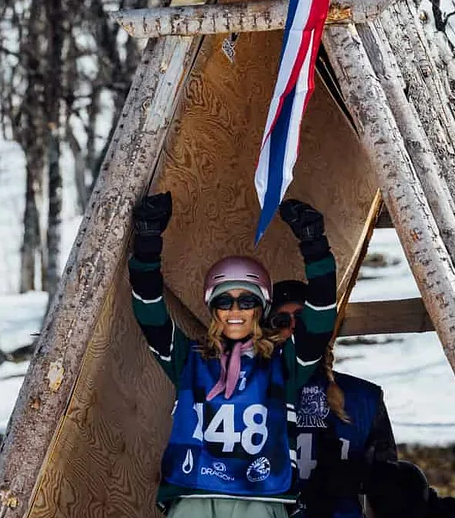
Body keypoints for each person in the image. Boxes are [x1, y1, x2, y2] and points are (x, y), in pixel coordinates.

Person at [129, 192, 338, 517]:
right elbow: (149, 311)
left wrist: (315, 247)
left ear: (262, 308)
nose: (235, 310)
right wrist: (147, 242)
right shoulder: (190, 359)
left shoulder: (284, 363)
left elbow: (322, 315)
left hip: (261, 496)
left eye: (247, 301)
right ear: (213, 310)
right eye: (225, 302)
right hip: (195, 493)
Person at [267, 280, 397, 518]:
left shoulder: (363, 398)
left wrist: (355, 475)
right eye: (282, 322)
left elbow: (391, 489)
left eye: (303, 318)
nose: (294, 327)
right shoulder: (244, 397)